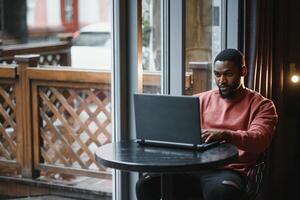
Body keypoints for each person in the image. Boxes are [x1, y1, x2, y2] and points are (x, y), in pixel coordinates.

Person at [135, 49, 278, 200]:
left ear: (243, 71)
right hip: (190, 167)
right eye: (217, 74)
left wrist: (225, 134)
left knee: (221, 193)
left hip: (230, 170)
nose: (221, 80)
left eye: (228, 74)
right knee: (145, 184)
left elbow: (260, 140)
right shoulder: (199, 100)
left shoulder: (262, 106)